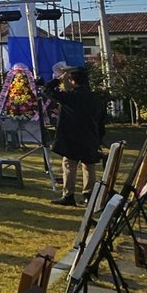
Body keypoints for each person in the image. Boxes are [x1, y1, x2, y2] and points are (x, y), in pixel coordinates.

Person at [46, 66, 107, 207]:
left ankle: (68, 195)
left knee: (69, 165)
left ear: (73, 81)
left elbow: (47, 90)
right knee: (89, 166)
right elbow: (101, 120)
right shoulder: (96, 98)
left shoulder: (70, 97)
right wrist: (99, 138)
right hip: (90, 136)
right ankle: (89, 195)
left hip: (71, 136)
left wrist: (58, 80)